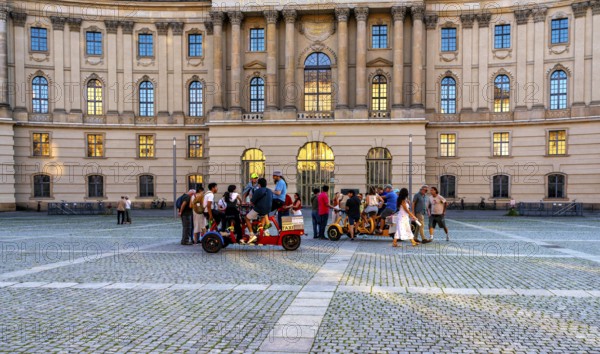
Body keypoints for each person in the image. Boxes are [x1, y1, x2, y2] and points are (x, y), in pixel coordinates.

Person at [245, 178, 273, 244]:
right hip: (268, 210)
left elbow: (252, 202)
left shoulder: (258, 191)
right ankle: (262, 233)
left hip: (259, 209)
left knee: (247, 218)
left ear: (259, 184)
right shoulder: (270, 191)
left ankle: (252, 235)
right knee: (263, 216)